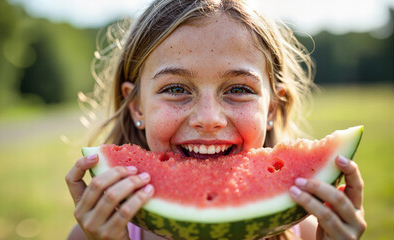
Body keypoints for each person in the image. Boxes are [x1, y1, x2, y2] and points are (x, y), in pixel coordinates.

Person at [65, 0, 367, 239]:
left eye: (238, 89)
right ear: (137, 108)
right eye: (176, 89)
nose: (208, 119)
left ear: (272, 109)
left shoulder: (310, 233)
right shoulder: (96, 234)